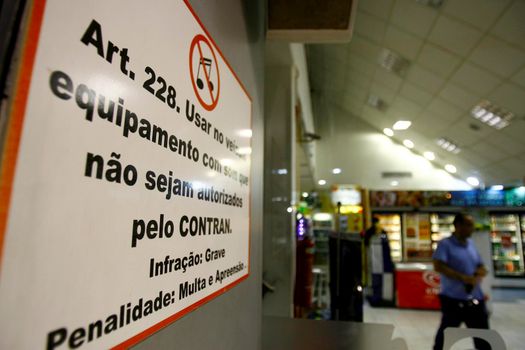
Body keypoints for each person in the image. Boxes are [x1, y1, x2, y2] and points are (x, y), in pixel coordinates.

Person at [432, 213, 490, 350]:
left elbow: (479, 263)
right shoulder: (445, 244)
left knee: (483, 338)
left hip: (475, 297)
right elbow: (438, 266)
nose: (472, 228)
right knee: (445, 338)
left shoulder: (470, 244)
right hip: (454, 299)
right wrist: (463, 277)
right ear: (458, 226)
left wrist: (480, 270)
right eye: (469, 225)